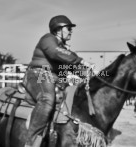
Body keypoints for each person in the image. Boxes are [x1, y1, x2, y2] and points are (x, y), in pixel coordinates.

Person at [23, 15, 93, 147]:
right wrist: (80, 60)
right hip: (39, 74)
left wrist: (90, 75)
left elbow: (71, 67)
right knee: (47, 98)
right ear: (58, 29)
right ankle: (31, 143)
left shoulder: (63, 49)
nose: (71, 31)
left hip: (54, 78)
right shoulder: (48, 39)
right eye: (68, 28)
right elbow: (55, 52)